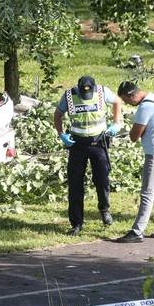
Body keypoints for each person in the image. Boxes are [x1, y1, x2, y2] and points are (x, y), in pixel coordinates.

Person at [54, 76, 122, 235]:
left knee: (102, 179)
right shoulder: (69, 96)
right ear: (78, 88)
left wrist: (116, 123)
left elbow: (117, 101)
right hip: (77, 144)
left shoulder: (102, 92)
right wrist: (61, 134)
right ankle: (76, 223)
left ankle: (104, 210)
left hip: (98, 142)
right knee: (75, 185)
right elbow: (57, 115)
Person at [114, 81, 154, 243]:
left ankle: (137, 231)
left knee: (147, 193)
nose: (127, 104)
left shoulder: (144, 108)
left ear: (131, 95)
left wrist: (136, 130)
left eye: (126, 101)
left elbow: (134, 136)